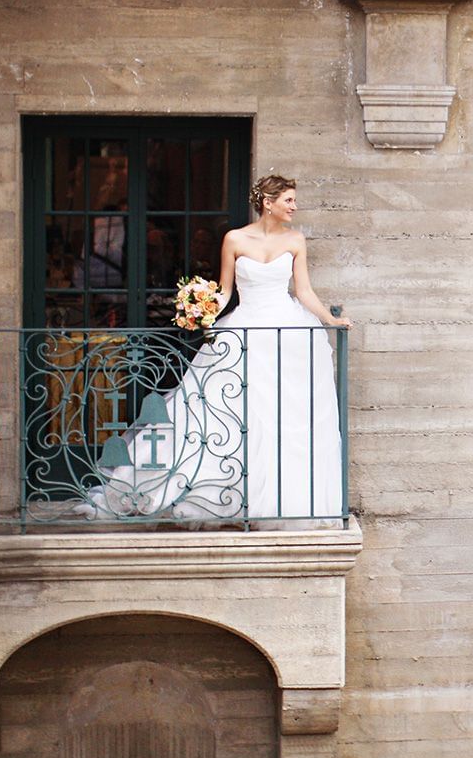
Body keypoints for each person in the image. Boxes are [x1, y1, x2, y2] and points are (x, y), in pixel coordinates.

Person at [80, 174, 350, 522]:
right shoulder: (234, 239)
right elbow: (225, 290)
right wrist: (201, 309)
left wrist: (330, 318)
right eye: (289, 200)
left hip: (288, 335)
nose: (294, 206)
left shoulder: (296, 240)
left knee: (284, 418)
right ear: (268, 203)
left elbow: (304, 291)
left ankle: (282, 500)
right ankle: (203, 490)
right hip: (244, 329)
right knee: (215, 410)